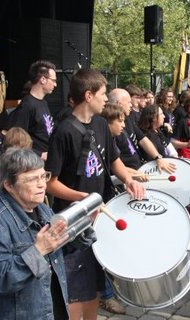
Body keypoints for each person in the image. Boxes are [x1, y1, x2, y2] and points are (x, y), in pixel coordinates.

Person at [45, 69, 144, 320]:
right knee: (75, 289)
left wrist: (129, 179)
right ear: (88, 96)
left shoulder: (100, 124)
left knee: (94, 285)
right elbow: (50, 183)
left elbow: (114, 161)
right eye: (102, 94)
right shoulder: (64, 131)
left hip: (98, 217)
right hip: (73, 224)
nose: (106, 100)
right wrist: (83, 200)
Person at [0, 148, 69, 319]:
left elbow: (63, 246)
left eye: (43, 176)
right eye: (32, 179)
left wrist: (86, 220)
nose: (42, 184)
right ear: (9, 185)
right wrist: (38, 251)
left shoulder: (43, 209)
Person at [108, 88, 175, 172]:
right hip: (126, 176)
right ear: (119, 104)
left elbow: (142, 139)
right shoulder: (110, 127)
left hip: (138, 170)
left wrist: (158, 157)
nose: (131, 105)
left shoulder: (128, 118)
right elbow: (113, 162)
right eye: (128, 102)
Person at [8, 60, 56, 160]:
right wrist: (40, 154)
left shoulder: (43, 103)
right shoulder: (27, 105)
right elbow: (16, 141)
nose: (55, 84)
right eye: (53, 80)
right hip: (35, 162)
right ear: (43, 79)